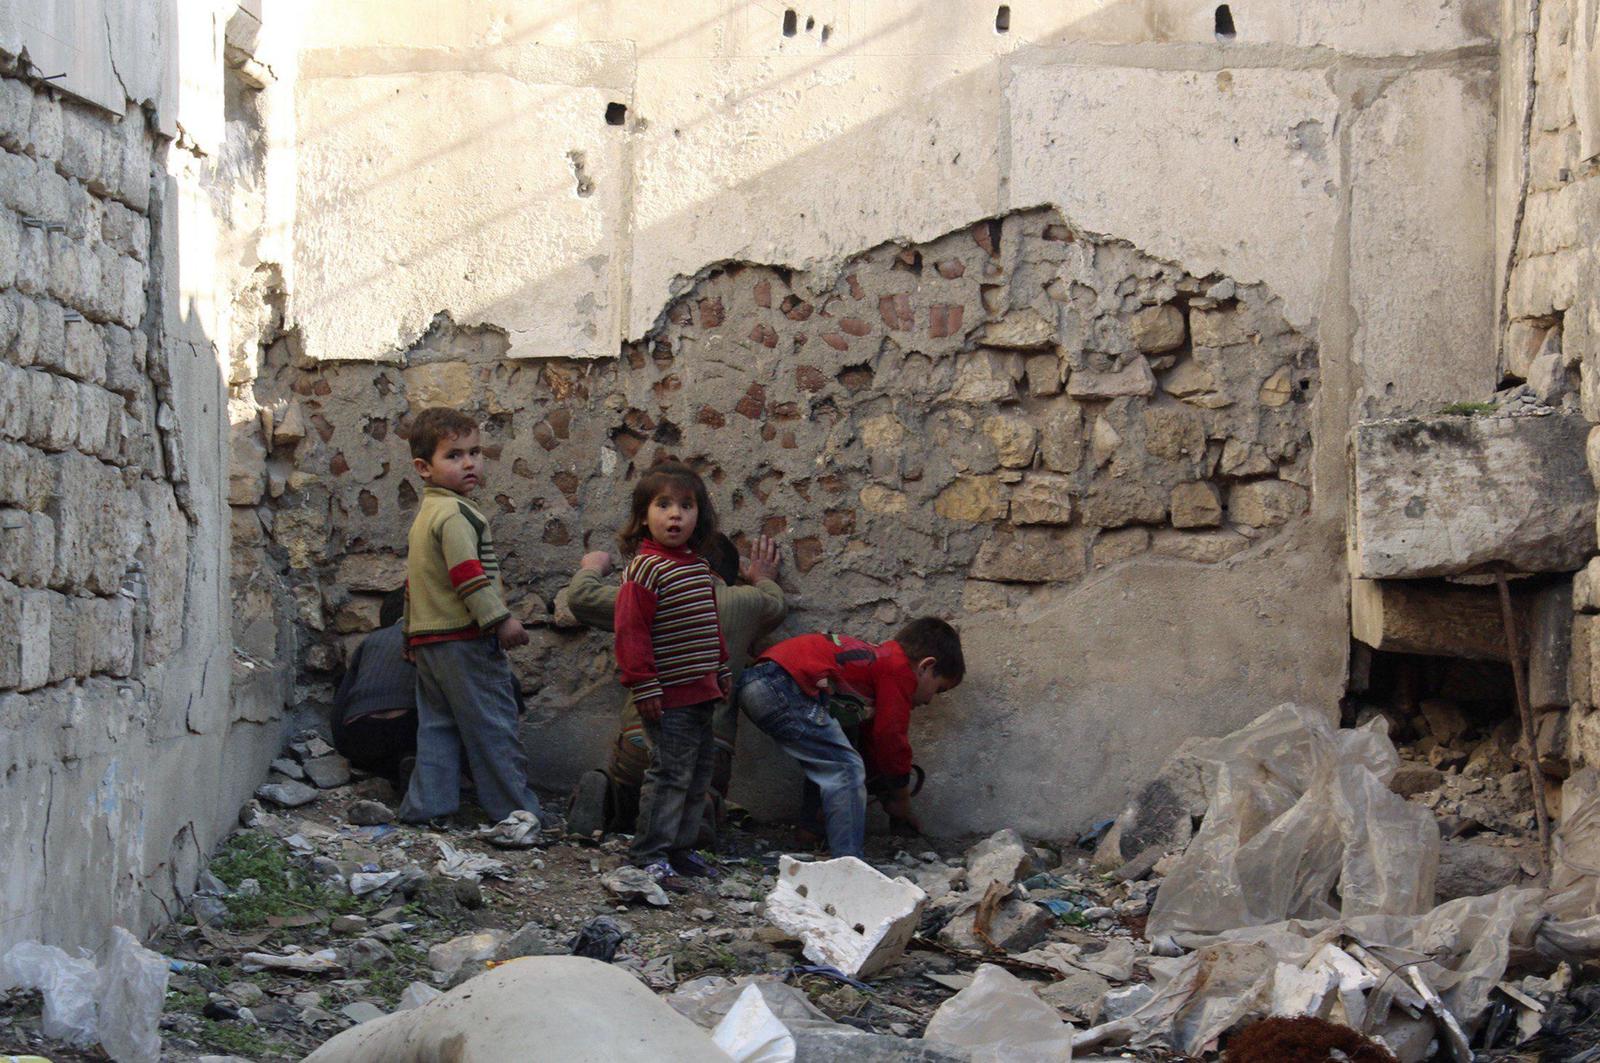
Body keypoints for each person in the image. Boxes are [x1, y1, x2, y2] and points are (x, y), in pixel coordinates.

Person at [396, 406, 556, 830]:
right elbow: (468, 575)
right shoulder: (456, 515)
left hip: (430, 644)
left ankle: (427, 807)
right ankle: (516, 814)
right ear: (423, 467)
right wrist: (499, 620)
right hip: (465, 639)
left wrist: (410, 636)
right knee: (493, 727)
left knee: (437, 729)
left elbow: (413, 584)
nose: (469, 463)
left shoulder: (424, 517)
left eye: (475, 452)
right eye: (454, 455)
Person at [564, 533, 785, 837]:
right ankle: (702, 806)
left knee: (633, 788)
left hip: (640, 738)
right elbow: (776, 604)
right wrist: (763, 578)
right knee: (697, 785)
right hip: (708, 745)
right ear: (731, 575)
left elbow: (582, 598)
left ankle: (610, 798)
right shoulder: (747, 602)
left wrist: (592, 567)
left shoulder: (648, 591)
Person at [735, 618, 965, 859]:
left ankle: (811, 831)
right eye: (938, 689)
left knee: (835, 755)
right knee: (846, 769)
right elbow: (890, 736)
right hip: (779, 685)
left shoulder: (874, 664)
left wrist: (880, 784)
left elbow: (871, 739)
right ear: (926, 666)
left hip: (762, 682)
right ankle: (848, 861)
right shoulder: (897, 667)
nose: (930, 701)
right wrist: (900, 797)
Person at [613, 460, 732, 886]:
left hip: (700, 693)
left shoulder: (698, 569)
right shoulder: (645, 569)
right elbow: (631, 633)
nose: (675, 514)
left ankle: (680, 850)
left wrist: (721, 669)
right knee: (669, 774)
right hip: (666, 697)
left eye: (686, 505)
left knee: (698, 773)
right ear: (644, 515)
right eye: (663, 504)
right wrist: (643, 684)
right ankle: (649, 854)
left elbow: (709, 625)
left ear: (701, 515)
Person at [331, 589, 415, 786]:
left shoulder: (371, 641)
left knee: (380, 760)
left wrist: (342, 745)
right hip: (410, 728)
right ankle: (415, 766)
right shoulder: (432, 639)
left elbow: (341, 702)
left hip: (361, 732)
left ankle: (398, 768)